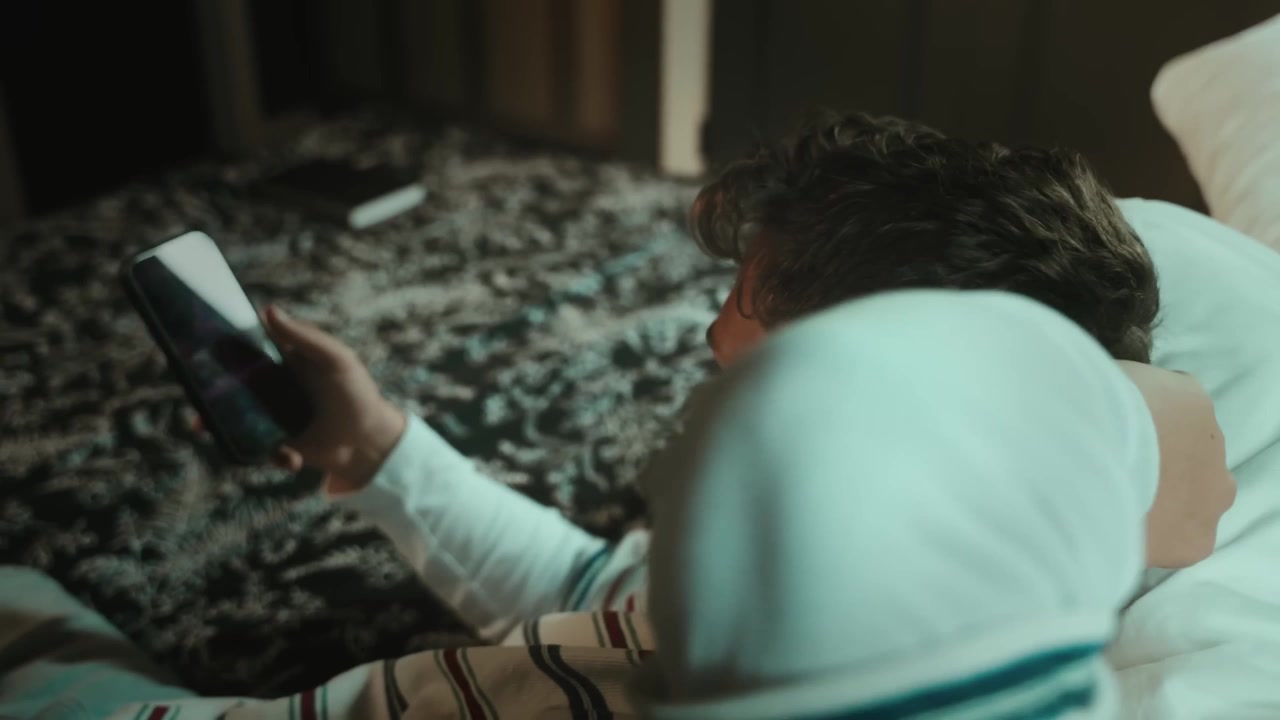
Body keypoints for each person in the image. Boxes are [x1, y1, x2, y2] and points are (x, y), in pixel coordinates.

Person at [2, 289, 1163, 719]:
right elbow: (594, 588)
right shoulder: (996, 600)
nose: (709, 335)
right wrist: (374, 449)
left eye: (753, 307)